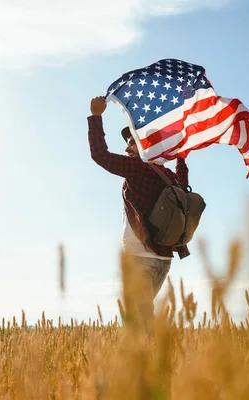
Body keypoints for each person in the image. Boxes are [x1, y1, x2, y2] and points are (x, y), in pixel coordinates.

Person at [87, 95, 191, 327]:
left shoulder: (138, 168)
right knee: (141, 319)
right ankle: (159, 358)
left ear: (145, 146)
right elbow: (184, 183)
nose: (127, 148)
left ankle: (158, 361)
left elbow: (100, 155)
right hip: (164, 260)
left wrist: (95, 117)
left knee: (138, 325)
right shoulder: (169, 176)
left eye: (132, 142)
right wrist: (181, 158)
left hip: (140, 259)